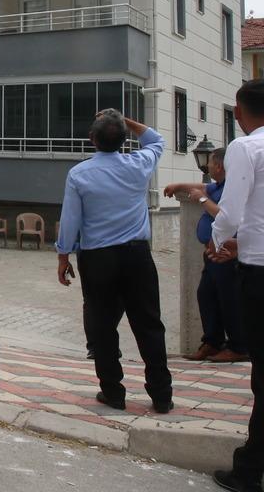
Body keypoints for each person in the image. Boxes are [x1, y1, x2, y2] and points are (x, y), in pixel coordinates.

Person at [56, 109, 172, 413]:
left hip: (98, 259)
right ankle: (162, 395)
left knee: (103, 326)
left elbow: (71, 219)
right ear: (123, 139)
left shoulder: (80, 174)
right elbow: (156, 140)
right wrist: (124, 120)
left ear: (92, 139)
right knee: (148, 324)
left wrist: (62, 254)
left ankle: (113, 392)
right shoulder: (139, 164)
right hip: (137, 255)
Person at [210, 80, 264, 492]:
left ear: (239, 113)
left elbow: (233, 208)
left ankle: (249, 470)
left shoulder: (245, 148)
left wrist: (218, 240)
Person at [164, 148, 247, 363]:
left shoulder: (233, 188)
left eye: (210, 162)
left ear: (219, 166)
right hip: (211, 254)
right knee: (206, 294)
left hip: (226, 254)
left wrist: (201, 200)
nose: (207, 166)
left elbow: (226, 216)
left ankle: (238, 346)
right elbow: (204, 187)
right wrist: (180, 186)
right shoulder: (218, 185)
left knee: (229, 299)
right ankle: (212, 341)